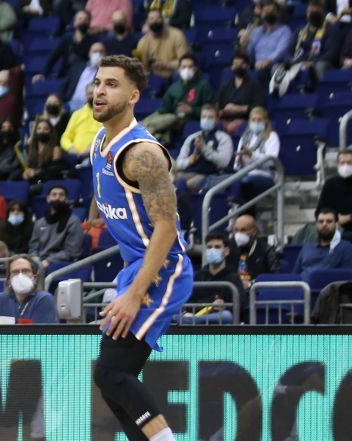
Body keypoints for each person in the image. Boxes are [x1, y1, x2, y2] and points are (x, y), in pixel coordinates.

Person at [91, 55, 193, 441]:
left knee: (112, 373)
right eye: (98, 82)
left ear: (133, 96)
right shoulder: (100, 141)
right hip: (135, 264)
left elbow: (166, 228)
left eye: (111, 84)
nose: (100, 91)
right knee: (113, 379)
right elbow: (107, 185)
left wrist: (134, 295)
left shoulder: (143, 154)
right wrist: (96, 214)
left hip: (163, 265)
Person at [141, 53, 214, 141]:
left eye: (190, 67)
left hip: (187, 120)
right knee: (148, 123)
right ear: (179, 69)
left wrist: (191, 110)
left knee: (155, 124)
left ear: (195, 68)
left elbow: (211, 110)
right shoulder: (174, 87)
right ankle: (152, 133)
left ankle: (149, 133)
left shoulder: (203, 86)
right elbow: (164, 109)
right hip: (171, 119)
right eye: (184, 67)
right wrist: (147, 119)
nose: (186, 70)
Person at [180, 233, 244, 324]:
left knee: (226, 315)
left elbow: (239, 304)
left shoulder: (233, 278)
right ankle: (195, 319)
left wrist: (224, 305)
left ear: (226, 251)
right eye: (209, 247)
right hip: (196, 315)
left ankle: (194, 320)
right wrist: (210, 303)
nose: (212, 250)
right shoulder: (197, 276)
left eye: (217, 247)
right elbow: (187, 302)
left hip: (219, 320)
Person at [173, 104, 234, 193]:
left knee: (188, 185)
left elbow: (223, 162)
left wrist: (204, 149)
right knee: (168, 181)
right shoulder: (192, 138)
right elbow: (178, 163)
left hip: (208, 175)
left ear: (217, 120)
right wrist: (189, 160)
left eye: (210, 117)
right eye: (204, 117)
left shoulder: (223, 138)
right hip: (188, 172)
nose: (206, 120)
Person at [0, 254, 58, 323]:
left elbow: (41, 330)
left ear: (35, 278)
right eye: (15, 272)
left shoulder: (44, 299)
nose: (20, 275)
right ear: (9, 280)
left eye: (25, 271)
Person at [233, 106, 280, 205]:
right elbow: (236, 166)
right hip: (245, 173)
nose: (256, 123)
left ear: (265, 121)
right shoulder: (245, 137)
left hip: (265, 175)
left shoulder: (272, 136)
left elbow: (271, 161)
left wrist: (251, 155)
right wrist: (239, 161)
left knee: (246, 182)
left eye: (259, 120)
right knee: (231, 181)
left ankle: (246, 211)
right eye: (253, 120)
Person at [28, 185, 84, 267]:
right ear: (48, 199)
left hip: (62, 264)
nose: (57, 197)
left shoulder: (74, 221)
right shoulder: (39, 223)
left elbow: (72, 252)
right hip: (40, 262)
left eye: (61, 195)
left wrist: (48, 260)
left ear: (66, 199)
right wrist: (35, 259)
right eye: (54, 195)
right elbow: (33, 248)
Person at [293, 208, 352, 280]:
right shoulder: (306, 248)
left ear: (336, 225)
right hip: (303, 286)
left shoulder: (346, 248)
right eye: (321, 221)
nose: (324, 224)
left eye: (329, 221)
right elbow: (294, 276)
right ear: (316, 224)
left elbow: (347, 277)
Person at [216, 52, 266, 135]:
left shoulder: (254, 85)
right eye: (235, 64)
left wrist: (239, 109)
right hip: (226, 119)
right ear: (232, 66)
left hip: (246, 119)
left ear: (247, 66)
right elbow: (217, 106)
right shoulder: (225, 86)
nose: (238, 66)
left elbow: (260, 106)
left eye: (242, 64)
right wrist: (222, 114)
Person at [227, 214, 280, 289]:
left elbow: (275, 277)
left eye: (243, 230)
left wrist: (252, 284)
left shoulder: (266, 249)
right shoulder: (228, 247)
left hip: (257, 291)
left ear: (254, 231)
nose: (239, 234)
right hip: (232, 290)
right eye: (236, 230)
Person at [136, 8, 189, 79]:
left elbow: (185, 61)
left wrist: (166, 65)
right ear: (147, 22)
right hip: (154, 78)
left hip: (174, 76)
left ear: (163, 20)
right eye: (151, 19)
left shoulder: (177, 35)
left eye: (158, 18)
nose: (155, 21)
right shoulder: (142, 42)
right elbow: (141, 67)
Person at [60, 83, 103, 158]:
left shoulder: (107, 115)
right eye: (90, 93)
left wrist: (92, 148)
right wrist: (71, 149)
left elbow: (106, 137)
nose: (92, 96)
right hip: (74, 155)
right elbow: (65, 138)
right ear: (86, 96)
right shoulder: (76, 114)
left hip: (95, 155)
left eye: (94, 93)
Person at [318, 149, 352, 240]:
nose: (345, 166)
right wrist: (333, 219)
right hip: (334, 231)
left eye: (349, 163)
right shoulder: (330, 184)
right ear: (338, 164)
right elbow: (320, 210)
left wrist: (348, 218)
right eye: (342, 163)